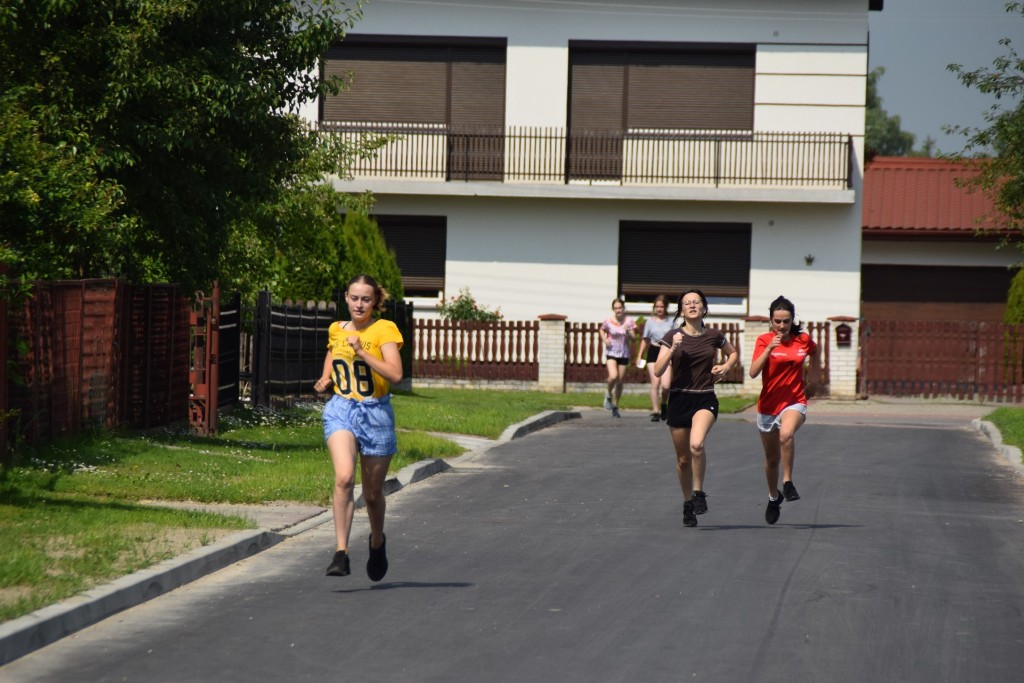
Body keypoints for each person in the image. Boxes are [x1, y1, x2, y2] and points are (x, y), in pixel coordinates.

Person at [314, 274, 404, 580]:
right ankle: (341, 553)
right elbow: (333, 352)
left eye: (366, 299)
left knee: (372, 494)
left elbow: (396, 375)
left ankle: (377, 541)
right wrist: (326, 377)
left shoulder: (384, 329)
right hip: (341, 409)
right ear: (346, 298)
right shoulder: (337, 329)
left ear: (375, 301)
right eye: (354, 298)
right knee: (343, 478)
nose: (359, 304)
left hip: (375, 413)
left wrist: (363, 351)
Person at [653, 289, 738, 527]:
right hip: (679, 400)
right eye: (687, 303)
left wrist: (725, 367)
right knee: (683, 460)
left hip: (704, 398)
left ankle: (699, 493)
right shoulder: (672, 335)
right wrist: (672, 349)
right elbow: (658, 371)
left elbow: (733, 354)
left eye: (696, 302)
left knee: (697, 445)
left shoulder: (713, 335)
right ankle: (688, 503)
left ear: (704, 308)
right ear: (681, 310)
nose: (691, 306)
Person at [748, 295, 817, 525]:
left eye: (786, 321)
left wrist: (814, 380)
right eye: (777, 321)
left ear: (792, 320)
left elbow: (815, 353)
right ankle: (773, 496)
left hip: (794, 401)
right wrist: (769, 348)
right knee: (771, 459)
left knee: (786, 434)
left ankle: (787, 483)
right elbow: (753, 372)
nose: (782, 325)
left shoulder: (803, 340)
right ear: (771, 320)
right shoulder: (763, 340)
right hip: (768, 406)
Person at [635, 295, 674, 422]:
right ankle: (656, 411)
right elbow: (645, 339)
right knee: (655, 382)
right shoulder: (650, 322)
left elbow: (677, 338)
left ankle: (664, 404)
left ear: (665, 307)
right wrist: (639, 355)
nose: (659, 309)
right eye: (657, 306)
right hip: (653, 351)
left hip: (666, 352)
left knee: (666, 385)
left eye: (661, 306)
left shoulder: (671, 322)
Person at [599, 298, 636, 418]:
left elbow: (634, 338)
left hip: (623, 353)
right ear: (613, 309)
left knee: (619, 381)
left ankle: (615, 405)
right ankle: (608, 394)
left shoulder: (629, 321)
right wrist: (605, 340)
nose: (618, 310)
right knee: (613, 376)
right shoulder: (608, 321)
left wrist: (628, 331)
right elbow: (601, 330)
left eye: (620, 308)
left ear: (623, 308)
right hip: (611, 352)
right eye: (616, 308)